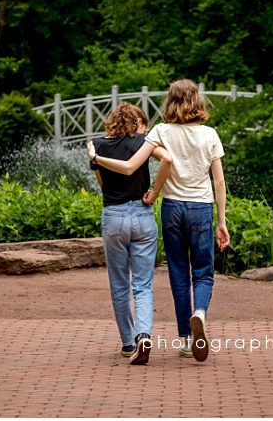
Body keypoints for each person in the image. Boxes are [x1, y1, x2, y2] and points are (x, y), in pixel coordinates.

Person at [89, 79, 229, 363]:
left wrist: (153, 192)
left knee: (178, 272)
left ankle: (186, 340)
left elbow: (131, 166)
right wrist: (222, 221)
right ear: (197, 100)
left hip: (171, 208)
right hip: (201, 207)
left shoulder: (160, 131)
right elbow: (219, 181)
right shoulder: (210, 134)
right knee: (202, 271)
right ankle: (199, 312)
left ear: (170, 102)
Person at [88, 102, 173, 365]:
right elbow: (168, 160)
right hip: (142, 214)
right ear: (136, 123)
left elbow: (102, 182)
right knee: (143, 285)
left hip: (113, 216)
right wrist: (155, 191)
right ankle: (143, 334)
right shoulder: (143, 142)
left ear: (112, 120)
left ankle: (127, 343)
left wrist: (96, 159)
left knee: (119, 284)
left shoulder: (98, 146)